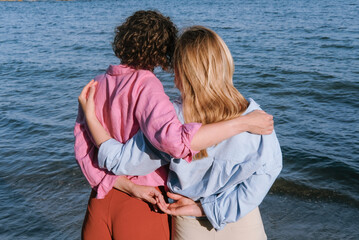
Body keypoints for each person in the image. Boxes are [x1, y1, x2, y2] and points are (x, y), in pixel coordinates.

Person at [74, 11, 274, 240]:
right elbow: (267, 171)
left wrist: (91, 119)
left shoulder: (96, 86)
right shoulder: (255, 114)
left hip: (129, 202)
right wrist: (241, 123)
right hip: (237, 217)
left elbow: (98, 155)